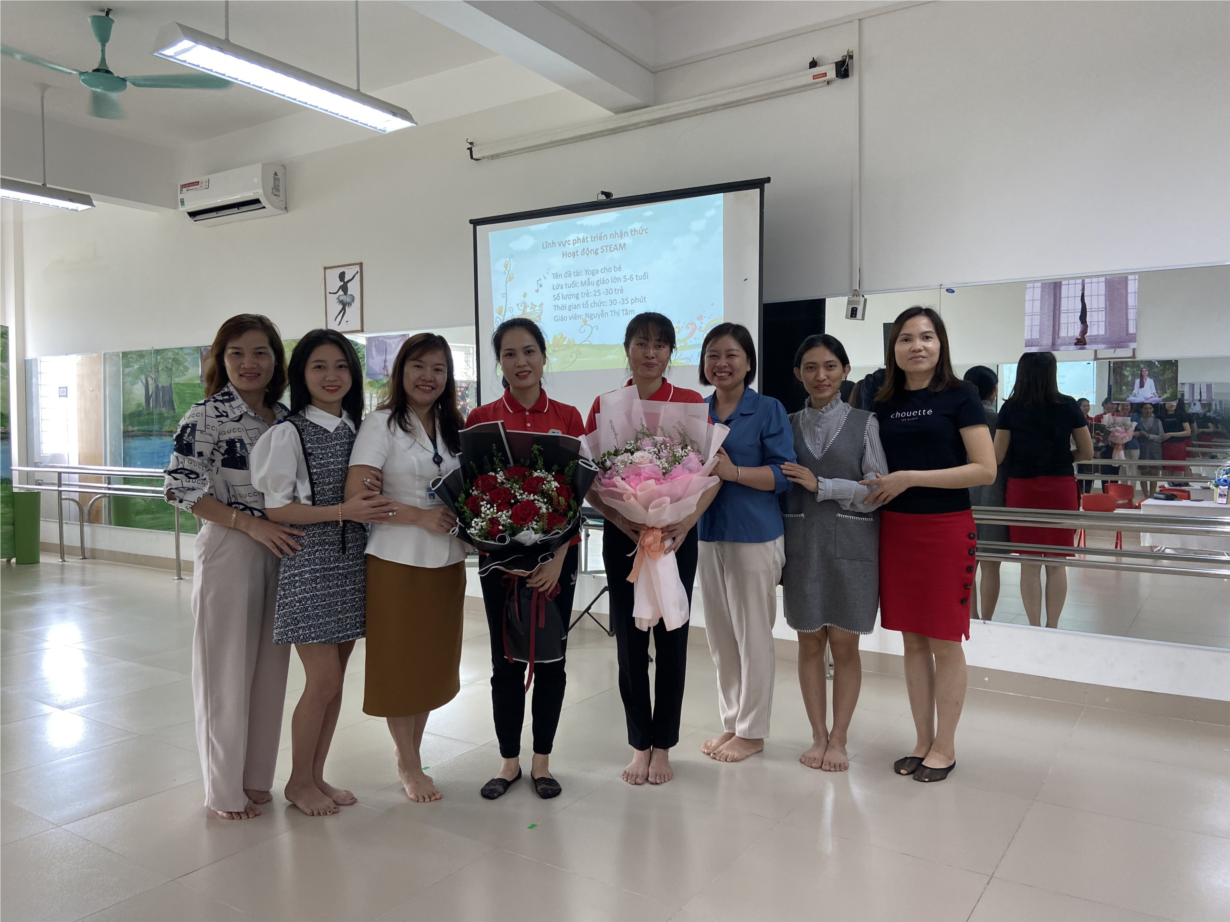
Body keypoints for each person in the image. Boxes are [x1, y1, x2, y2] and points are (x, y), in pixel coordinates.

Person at [164, 314, 300, 820]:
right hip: (231, 547)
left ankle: (256, 778)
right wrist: (249, 525)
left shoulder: (284, 418)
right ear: (221, 359)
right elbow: (179, 487)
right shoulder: (207, 415)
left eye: (261, 352)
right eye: (237, 353)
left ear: (276, 360)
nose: (249, 363)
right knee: (225, 672)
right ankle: (223, 791)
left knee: (270, 670)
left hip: (281, 548)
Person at [250, 330, 393, 816]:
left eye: (341, 366)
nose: (332, 376)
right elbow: (276, 509)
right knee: (323, 681)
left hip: (352, 565)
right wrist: (343, 511)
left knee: (336, 682)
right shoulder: (288, 433)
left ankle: (315, 775)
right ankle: (297, 782)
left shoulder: (358, 429)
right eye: (319, 366)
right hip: (309, 563)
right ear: (301, 375)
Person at [584, 312, 715, 786]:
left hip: (677, 537)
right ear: (627, 348)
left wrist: (685, 522)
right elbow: (590, 478)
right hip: (624, 537)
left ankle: (664, 746)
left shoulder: (690, 402)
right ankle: (640, 743)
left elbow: (714, 473)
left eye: (660, 345)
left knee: (673, 638)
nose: (651, 353)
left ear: (671, 353)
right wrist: (623, 519)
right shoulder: (606, 404)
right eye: (642, 343)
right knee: (630, 642)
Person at [866, 307, 996, 784]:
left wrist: (910, 478)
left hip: (945, 529)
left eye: (926, 337)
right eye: (905, 338)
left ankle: (946, 745)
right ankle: (922, 740)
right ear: (893, 348)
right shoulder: (882, 400)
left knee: (944, 640)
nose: (916, 346)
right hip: (895, 529)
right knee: (913, 640)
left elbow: (985, 470)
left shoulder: (961, 395)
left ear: (940, 344)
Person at [464, 318, 585, 801]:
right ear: (499, 361)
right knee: (505, 663)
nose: (521, 362)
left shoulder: (569, 417)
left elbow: (577, 496)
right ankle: (509, 761)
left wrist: (556, 557)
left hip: (557, 561)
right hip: (499, 563)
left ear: (543, 356)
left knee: (552, 662)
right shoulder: (481, 418)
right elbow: (472, 497)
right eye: (510, 353)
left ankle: (542, 763)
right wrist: (498, 553)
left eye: (529, 351)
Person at [345, 334, 467, 803]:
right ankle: (408, 762)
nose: (428, 377)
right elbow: (358, 497)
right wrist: (418, 516)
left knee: (430, 663)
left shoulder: (453, 426)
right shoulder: (380, 424)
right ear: (401, 371)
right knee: (400, 664)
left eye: (438, 368)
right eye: (418, 366)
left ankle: (412, 751)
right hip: (396, 559)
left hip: (447, 559)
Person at [780, 335, 885, 772]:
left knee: (844, 645)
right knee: (808, 642)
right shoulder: (785, 423)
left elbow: (877, 491)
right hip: (802, 545)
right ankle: (817, 736)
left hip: (853, 546)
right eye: (810, 367)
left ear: (844, 370)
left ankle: (839, 738)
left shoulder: (865, 422)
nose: (820, 376)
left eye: (829, 366)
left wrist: (821, 485)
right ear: (798, 374)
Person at [698, 322, 796, 764]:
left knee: (752, 635)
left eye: (731, 355)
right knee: (721, 636)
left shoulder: (768, 409)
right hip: (707, 532)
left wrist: (734, 472)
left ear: (749, 362)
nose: (721, 363)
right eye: (713, 355)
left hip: (754, 534)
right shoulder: (697, 412)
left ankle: (753, 732)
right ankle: (733, 721)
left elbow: (783, 475)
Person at [994, 353, 1094, 629]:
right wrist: (1059, 458)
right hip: (1060, 487)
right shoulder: (1068, 405)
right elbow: (1087, 452)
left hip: (1022, 488)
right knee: (1056, 561)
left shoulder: (1011, 407)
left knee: (1029, 562)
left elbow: (998, 455)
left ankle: (1034, 626)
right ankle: (1053, 626)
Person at [962, 366, 1008, 621]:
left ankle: (971, 616)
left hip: (962, 494)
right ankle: (987, 620)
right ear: (994, 391)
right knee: (991, 564)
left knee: (966, 564)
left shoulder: (958, 418)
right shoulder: (1001, 420)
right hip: (996, 495)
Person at [1159, 399, 1193, 485]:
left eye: (1174, 402)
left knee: (1179, 468)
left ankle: (1177, 485)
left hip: (1179, 445)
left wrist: (1171, 434)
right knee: (1168, 468)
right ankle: (1170, 486)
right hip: (1165, 445)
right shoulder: (1161, 416)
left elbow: (1188, 432)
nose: (1172, 404)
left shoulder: (1181, 415)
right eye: (1169, 402)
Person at [1137, 401, 1164, 497]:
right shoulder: (1138, 421)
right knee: (1143, 473)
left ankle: (1152, 495)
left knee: (1154, 473)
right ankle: (1145, 496)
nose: (1148, 410)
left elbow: (1161, 436)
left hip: (1155, 449)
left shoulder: (1157, 421)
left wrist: (1150, 436)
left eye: (1150, 408)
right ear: (1141, 410)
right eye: (1145, 408)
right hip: (1142, 449)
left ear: (1153, 409)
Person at [1075, 397, 1096, 494]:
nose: (1087, 408)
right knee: (1079, 474)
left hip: (1090, 450)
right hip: (1077, 449)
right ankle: (1079, 494)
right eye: (1084, 406)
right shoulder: (1075, 420)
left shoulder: (1092, 420)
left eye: (1088, 405)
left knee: (1089, 474)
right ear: (1078, 407)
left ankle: (1088, 494)